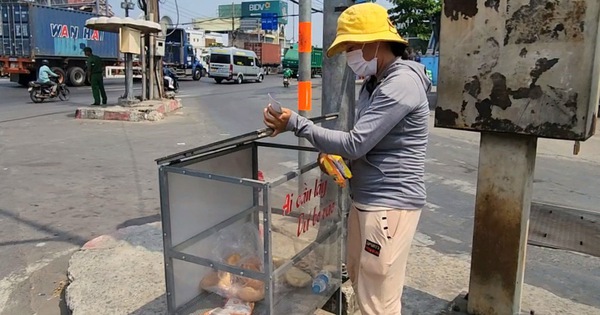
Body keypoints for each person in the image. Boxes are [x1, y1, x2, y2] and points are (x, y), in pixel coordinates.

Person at [262, 3, 431, 314]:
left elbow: (355, 142)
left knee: (377, 300)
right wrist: (339, 158)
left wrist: (297, 124)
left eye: (352, 47)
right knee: (361, 278)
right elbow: (367, 145)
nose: (350, 56)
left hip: (388, 204)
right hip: (367, 201)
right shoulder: (373, 84)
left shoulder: (400, 84)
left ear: (374, 43)